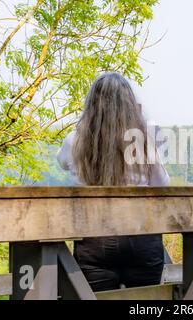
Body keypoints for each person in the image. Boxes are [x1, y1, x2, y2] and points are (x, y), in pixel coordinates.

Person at [57, 72, 170, 292]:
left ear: (91, 106)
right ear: (130, 105)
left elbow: (61, 162)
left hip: (94, 240)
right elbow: (161, 183)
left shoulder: (75, 141)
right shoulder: (143, 140)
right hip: (142, 237)